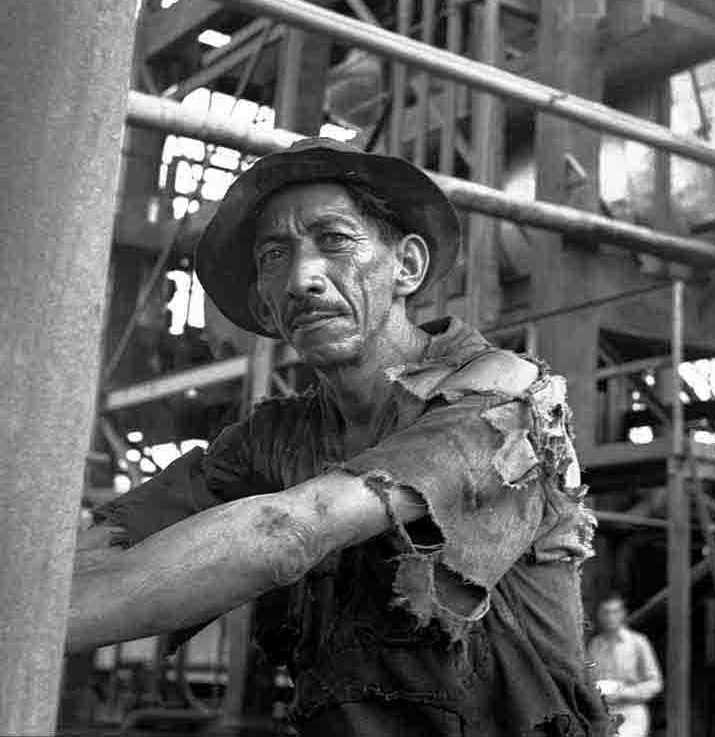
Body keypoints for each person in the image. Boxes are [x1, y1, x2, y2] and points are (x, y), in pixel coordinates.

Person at [69, 137, 612, 736]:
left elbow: (292, 532)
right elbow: (106, 542)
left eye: (335, 240)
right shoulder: (273, 438)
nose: (303, 277)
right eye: (276, 255)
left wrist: (29, 624)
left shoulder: (499, 394)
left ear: (406, 267)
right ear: (268, 308)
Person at [587, 595, 662, 737]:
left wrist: (623, 693)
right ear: (599, 616)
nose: (610, 617)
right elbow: (588, 679)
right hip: (603, 715)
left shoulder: (638, 643)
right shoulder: (595, 645)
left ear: (622, 614)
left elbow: (655, 683)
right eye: (606, 612)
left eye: (615, 612)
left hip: (631, 713)